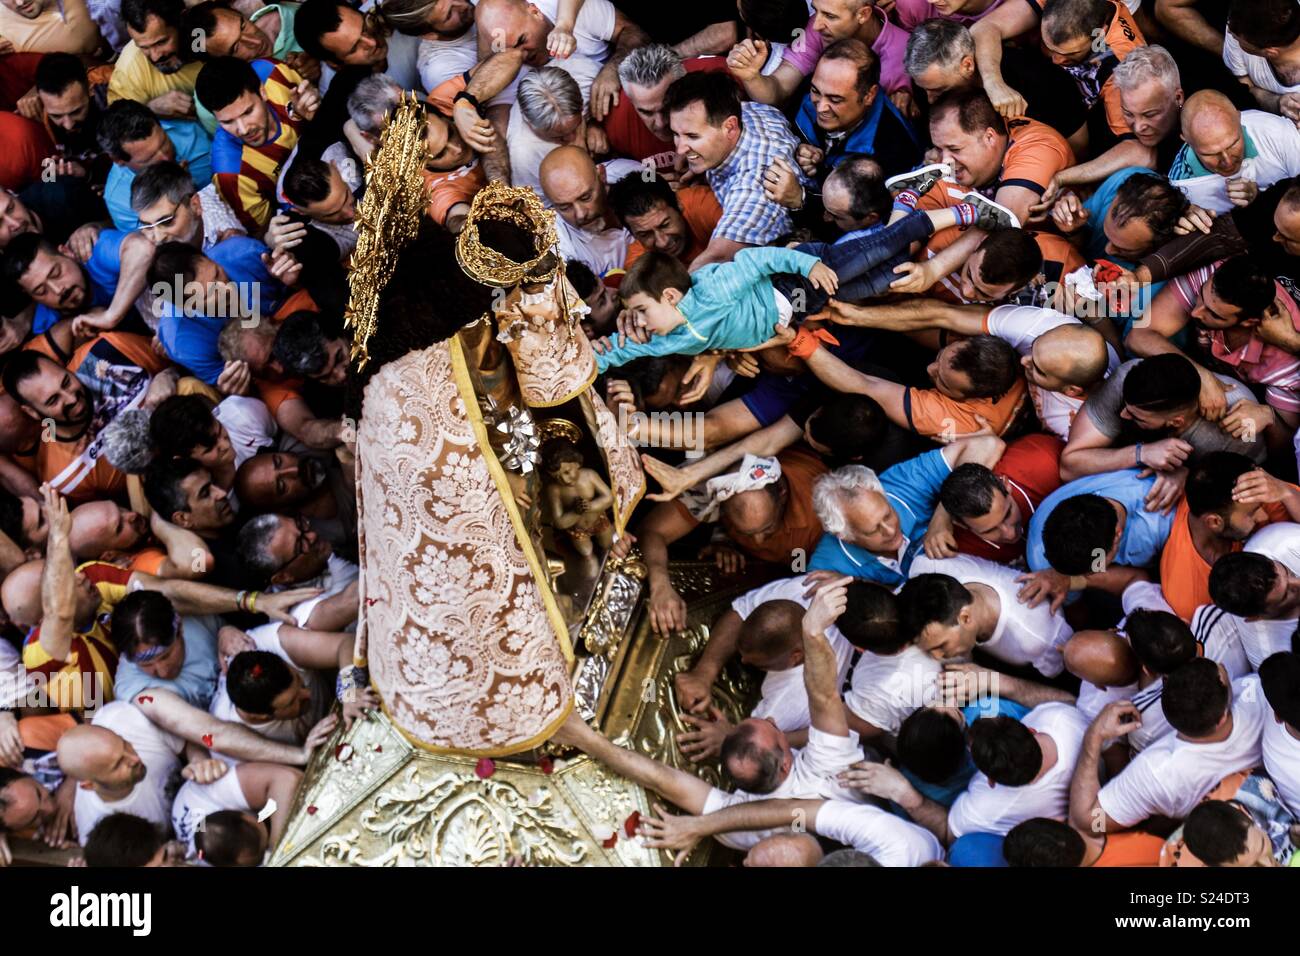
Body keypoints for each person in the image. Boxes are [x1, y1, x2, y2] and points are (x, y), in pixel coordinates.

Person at [841, 700, 1089, 844]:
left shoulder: (985, 807)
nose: (950, 703)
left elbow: (949, 833)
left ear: (989, 779)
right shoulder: (1060, 717)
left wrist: (902, 793)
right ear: (1031, 730)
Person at [1070, 662, 1267, 832]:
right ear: (1222, 718)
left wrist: (1093, 736)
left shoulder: (1156, 774)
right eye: (1221, 674)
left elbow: (1092, 823)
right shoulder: (1258, 694)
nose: (1222, 666)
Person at [1061, 353, 1269, 506]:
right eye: (1125, 406)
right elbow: (1069, 468)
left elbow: (1240, 501)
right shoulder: (1128, 378)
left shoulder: (1238, 428)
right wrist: (1141, 454)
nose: (1123, 414)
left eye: (1135, 416)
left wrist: (1189, 477)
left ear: (1176, 421)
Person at [806, 433, 1006, 584]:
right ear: (845, 536)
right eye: (874, 530)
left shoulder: (902, 483)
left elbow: (987, 445)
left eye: (888, 514)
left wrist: (942, 519)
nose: (890, 530)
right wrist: (855, 585)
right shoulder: (826, 566)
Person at [1159, 453, 1300, 620]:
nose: (1262, 516)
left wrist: (1287, 493)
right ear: (1214, 522)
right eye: (1252, 513)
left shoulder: (1250, 494)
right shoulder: (1189, 596)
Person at [197, 56, 317, 233]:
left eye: (248, 112)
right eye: (228, 122)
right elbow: (264, 232)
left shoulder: (273, 72)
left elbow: (316, 99)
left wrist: (316, 115)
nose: (243, 129)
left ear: (262, 92)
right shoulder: (230, 173)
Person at [902, 553, 1074, 676]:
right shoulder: (928, 567)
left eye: (941, 646)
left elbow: (1060, 680)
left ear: (965, 618)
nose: (937, 657)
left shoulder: (1036, 639)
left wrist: (991, 680)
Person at [925, 434, 1065, 565]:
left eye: (1008, 514)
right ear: (962, 525)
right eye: (989, 531)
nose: (1010, 534)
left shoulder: (1045, 463)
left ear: (1005, 485)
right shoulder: (960, 547)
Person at [1168, 90, 1300, 214]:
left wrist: (1260, 196)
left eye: (1233, 144)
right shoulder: (1181, 187)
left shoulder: (1275, 132)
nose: (1228, 161)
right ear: (1187, 141)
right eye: (1210, 154)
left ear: (1238, 117)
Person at [98, 99, 212, 232]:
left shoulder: (193, 131)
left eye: (164, 143)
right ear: (119, 160)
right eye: (149, 158)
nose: (165, 157)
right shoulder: (120, 200)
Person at [108, 0, 203, 120]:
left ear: (181, 22)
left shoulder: (201, 35)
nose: (155, 56)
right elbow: (118, 124)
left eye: (161, 42)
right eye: (144, 47)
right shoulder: (129, 68)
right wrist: (149, 109)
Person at [609, 174, 722, 270]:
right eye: (645, 234)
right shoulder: (638, 262)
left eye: (665, 225)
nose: (662, 242)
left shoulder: (701, 204)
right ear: (633, 234)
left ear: (678, 204)